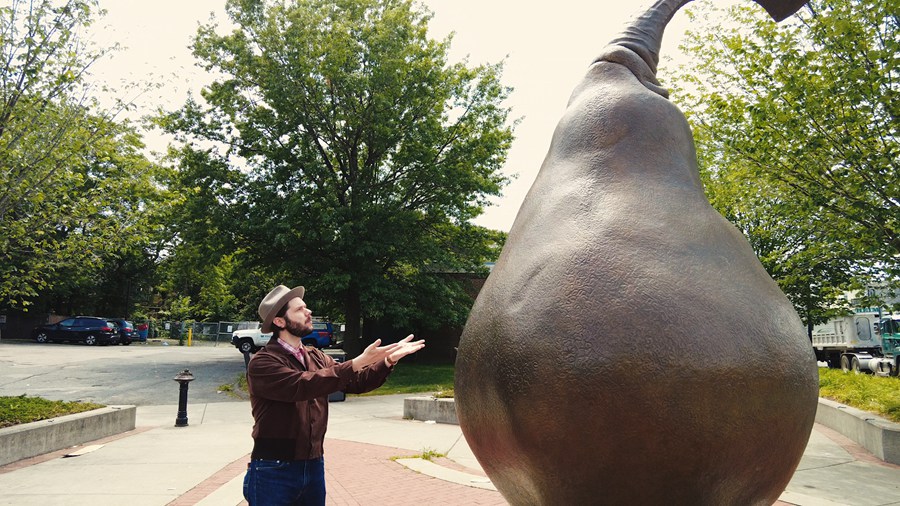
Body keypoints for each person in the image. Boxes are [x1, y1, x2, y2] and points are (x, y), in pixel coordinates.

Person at [243, 284, 425, 506]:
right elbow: (303, 386)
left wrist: (387, 361)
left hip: (313, 464)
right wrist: (357, 362)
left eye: (306, 307)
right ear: (280, 322)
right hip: (273, 468)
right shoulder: (263, 362)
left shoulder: (316, 357)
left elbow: (355, 382)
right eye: (299, 309)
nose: (308, 312)